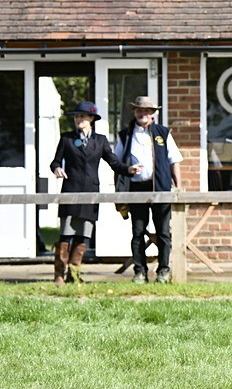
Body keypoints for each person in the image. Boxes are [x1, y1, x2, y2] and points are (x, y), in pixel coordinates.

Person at [49, 101, 140, 285]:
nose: (78, 119)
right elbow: (55, 162)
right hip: (70, 191)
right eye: (76, 117)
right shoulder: (66, 139)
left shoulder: (100, 140)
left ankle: (74, 275)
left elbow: (114, 162)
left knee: (83, 235)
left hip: (91, 193)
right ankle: (59, 274)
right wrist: (57, 168)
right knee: (66, 234)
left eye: (82, 116)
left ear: (91, 119)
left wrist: (128, 169)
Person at [115, 96, 183, 283]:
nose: (143, 113)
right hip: (136, 187)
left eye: (147, 110)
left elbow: (174, 160)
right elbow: (117, 163)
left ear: (153, 113)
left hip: (160, 187)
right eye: (139, 110)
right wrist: (125, 174)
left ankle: (163, 270)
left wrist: (178, 186)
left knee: (163, 232)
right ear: (134, 112)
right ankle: (140, 271)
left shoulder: (163, 133)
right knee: (138, 231)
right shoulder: (125, 135)